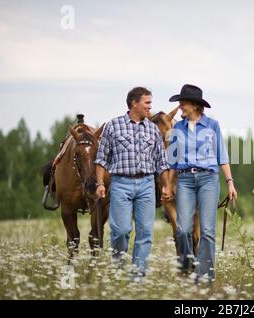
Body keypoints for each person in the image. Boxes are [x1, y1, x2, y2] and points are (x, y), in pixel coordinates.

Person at [94, 86, 172, 277]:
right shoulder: (113, 126)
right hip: (121, 183)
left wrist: (166, 185)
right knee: (120, 231)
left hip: (146, 184)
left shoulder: (153, 130)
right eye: (147, 103)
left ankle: (137, 279)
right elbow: (101, 159)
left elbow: (162, 162)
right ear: (134, 103)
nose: (149, 107)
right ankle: (119, 271)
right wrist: (100, 184)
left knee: (145, 233)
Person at [167, 84, 237, 283]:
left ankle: (204, 277)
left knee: (207, 230)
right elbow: (173, 159)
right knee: (182, 229)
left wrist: (230, 183)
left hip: (208, 179)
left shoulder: (212, 126)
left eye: (183, 103)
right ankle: (188, 266)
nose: (180, 107)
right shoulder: (178, 128)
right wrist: (168, 185)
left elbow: (222, 156)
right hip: (185, 180)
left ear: (195, 105)